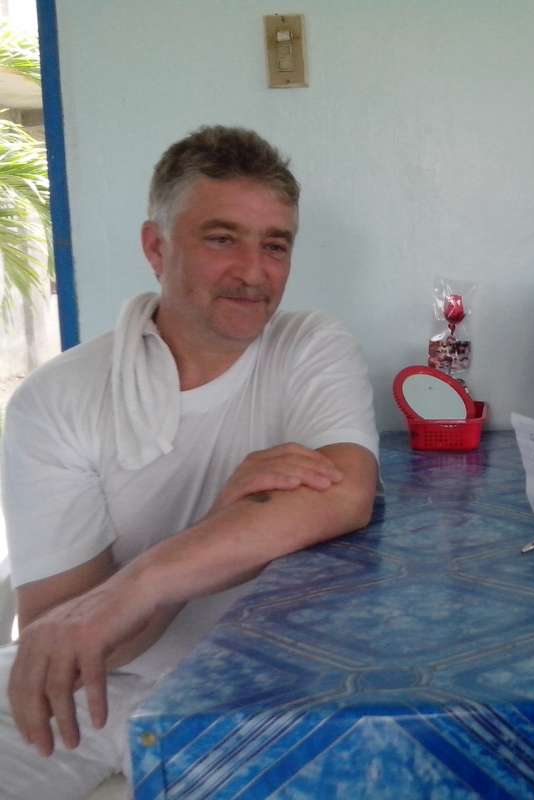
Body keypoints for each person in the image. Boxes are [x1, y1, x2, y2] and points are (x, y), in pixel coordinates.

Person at [0, 125, 379, 798]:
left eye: (275, 245)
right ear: (156, 247)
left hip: (249, 685)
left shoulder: (309, 345)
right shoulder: (56, 399)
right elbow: (70, 649)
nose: (253, 272)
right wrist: (219, 525)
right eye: (221, 239)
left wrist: (139, 586)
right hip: (91, 694)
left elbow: (343, 493)